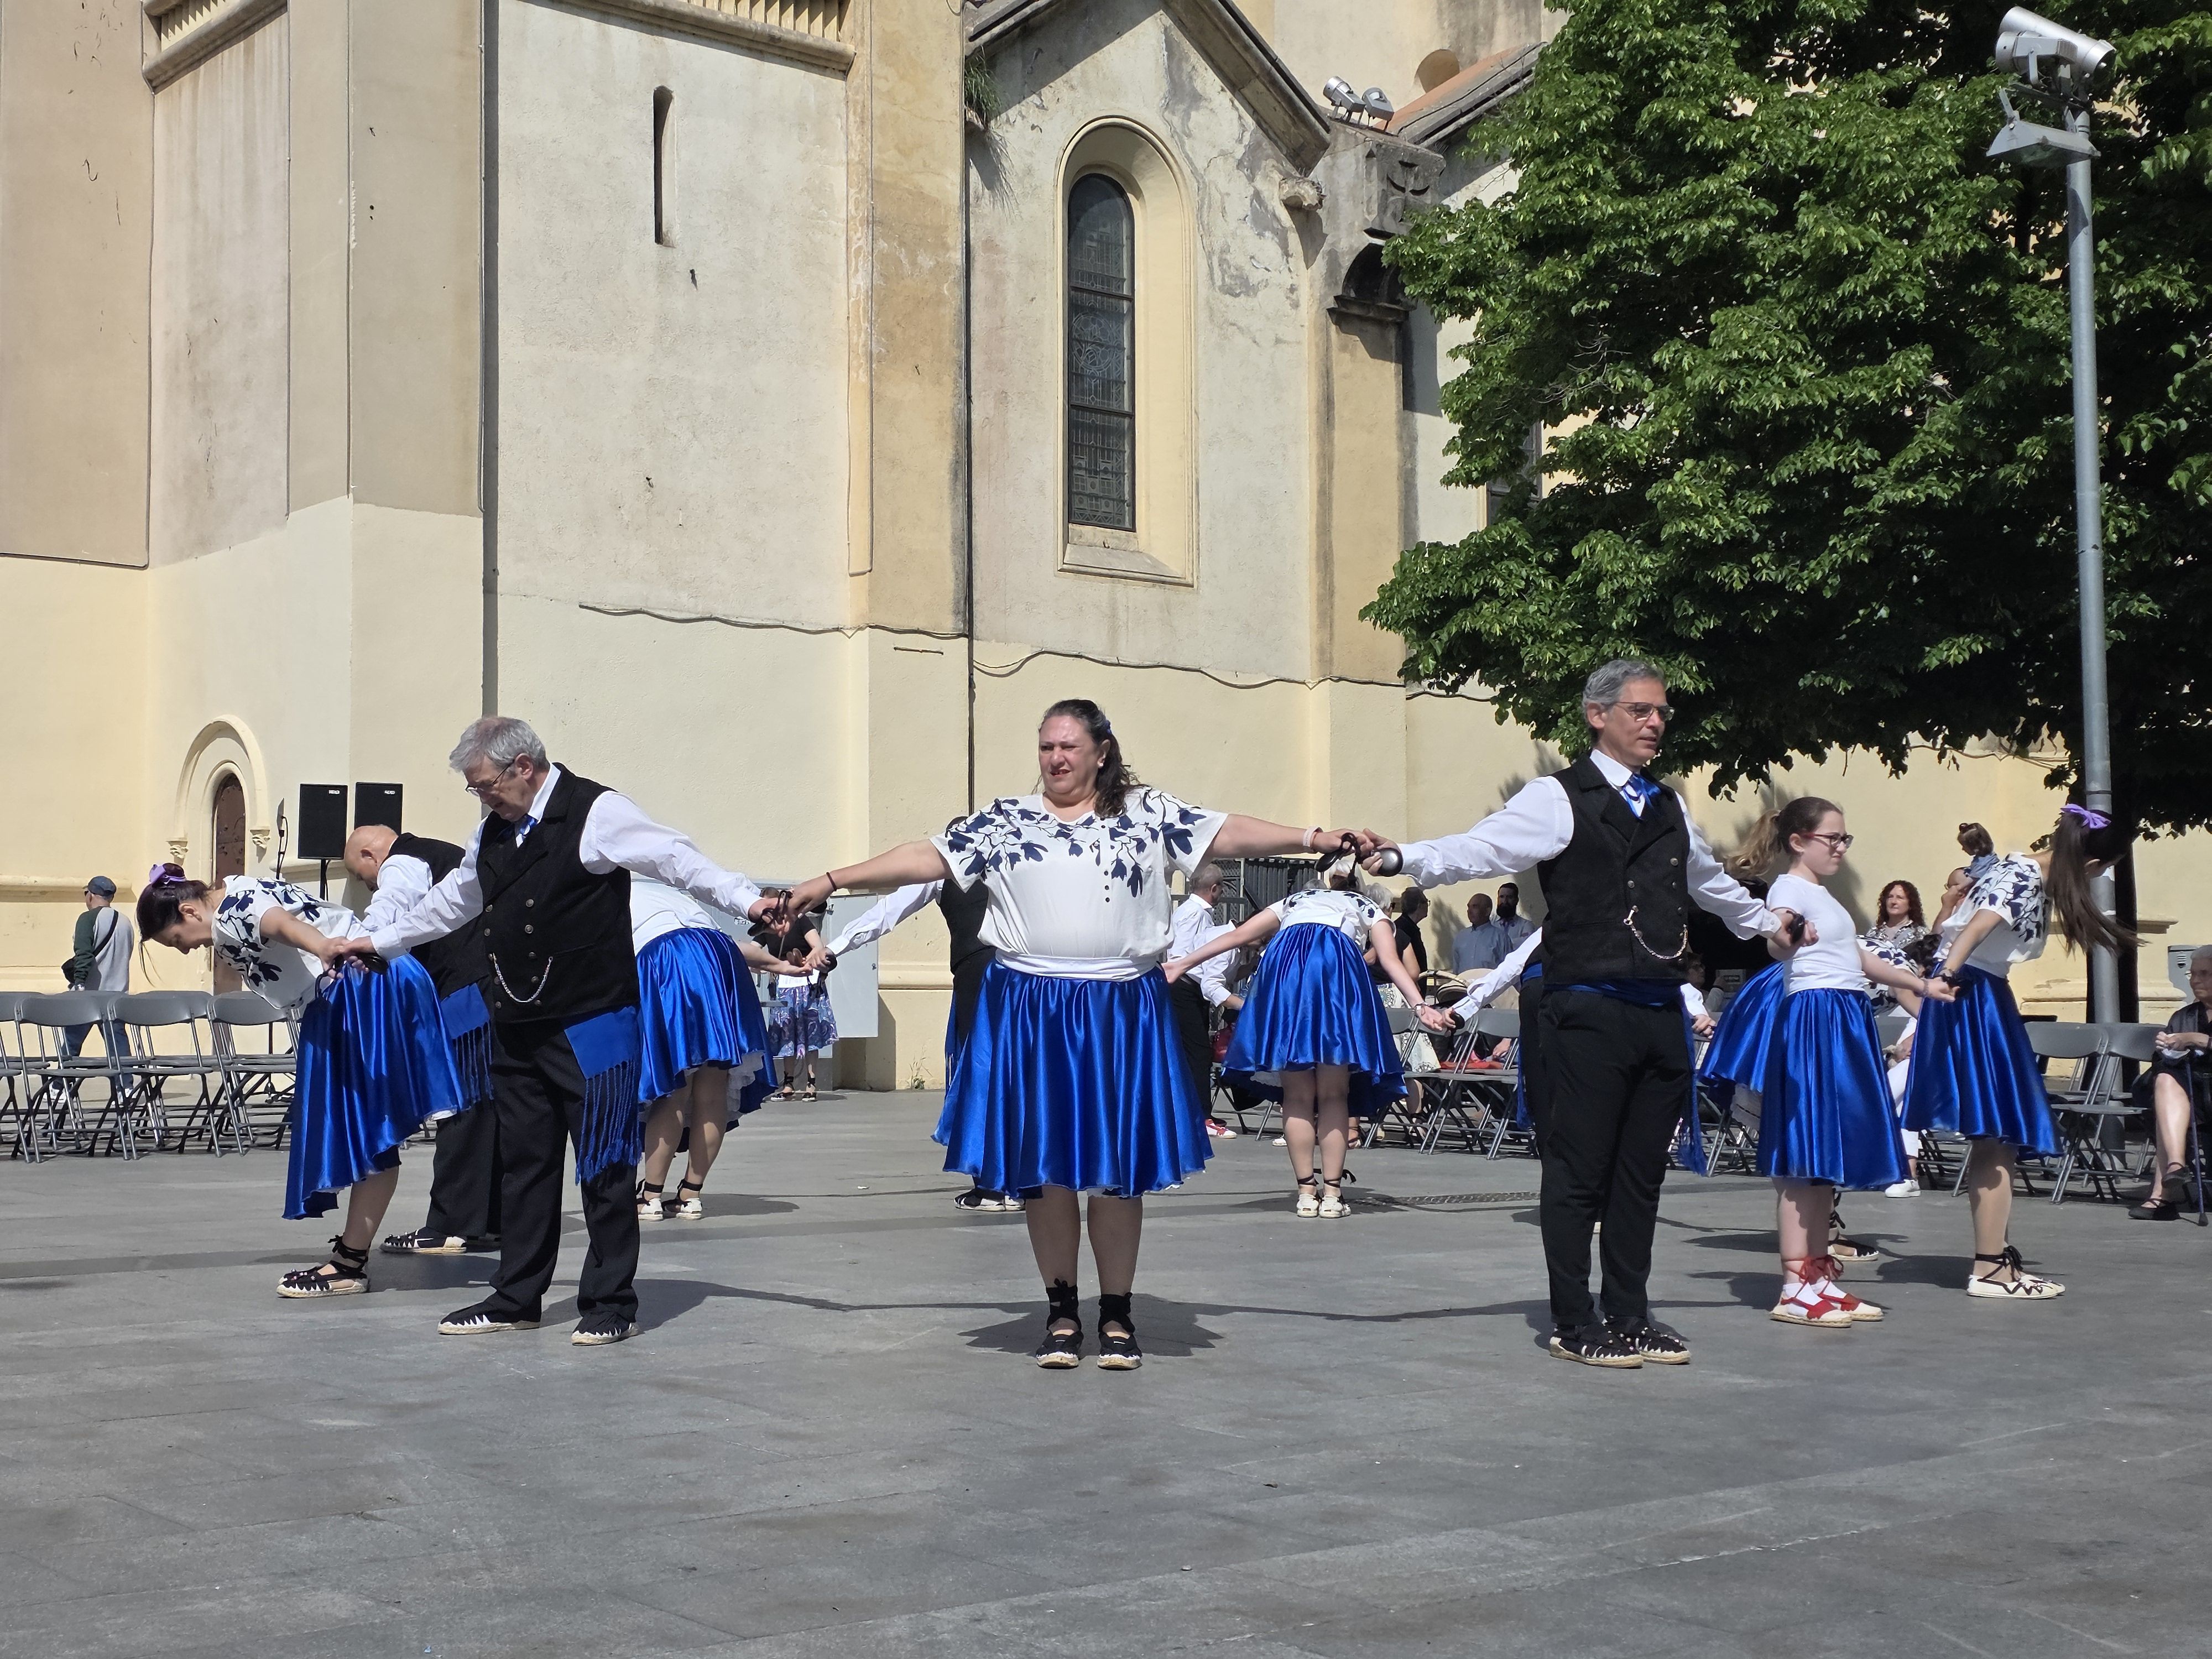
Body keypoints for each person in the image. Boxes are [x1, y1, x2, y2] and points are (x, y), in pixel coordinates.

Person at [776, 697, 1370, 1371]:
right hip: (1030, 1006)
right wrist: (825, 882)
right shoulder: (1005, 820)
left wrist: (1315, 838)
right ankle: (1061, 1311)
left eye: (1067, 747)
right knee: (1044, 1170)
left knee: (1117, 1173)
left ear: (1101, 752)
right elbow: (922, 858)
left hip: (1121, 1007)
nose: (1055, 759)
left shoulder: (1147, 813)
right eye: (1045, 748)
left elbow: (1228, 832)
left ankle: (1116, 1313)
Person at [1363, 659, 1804, 1369]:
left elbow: (1709, 881)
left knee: (1641, 1172)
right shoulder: (1557, 797)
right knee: (1577, 1171)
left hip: (1657, 1006)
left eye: (1662, 712)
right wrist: (1400, 856)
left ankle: (1630, 1313)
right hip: (1584, 1005)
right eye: (1641, 711)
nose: (1656, 723)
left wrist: (1764, 926)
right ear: (1597, 715)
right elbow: (1482, 846)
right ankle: (1574, 1319)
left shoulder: (1668, 805)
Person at [333, 716, 779, 1347]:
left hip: (594, 1021)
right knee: (526, 1164)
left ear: (523, 767)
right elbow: (454, 898)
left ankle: (610, 1300)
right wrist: (376, 941)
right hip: (518, 1021)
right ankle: (518, 1296)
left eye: (484, 784)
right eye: (474, 788)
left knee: (602, 1162)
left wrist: (750, 901)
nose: (480, 796)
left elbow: (676, 858)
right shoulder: (495, 828)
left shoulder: (595, 811)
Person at [138, 863, 465, 1297]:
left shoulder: (230, 915)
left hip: (356, 989)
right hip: (372, 979)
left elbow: (275, 922)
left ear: (189, 912)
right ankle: (351, 1258)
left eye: (177, 940)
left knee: (366, 1132)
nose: (183, 950)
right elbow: (274, 916)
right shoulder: (239, 886)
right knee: (370, 1133)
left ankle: (349, 1265)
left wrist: (322, 945)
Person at [1903, 802, 2136, 1298]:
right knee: (1996, 1134)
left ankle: (1995, 1256)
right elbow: (1979, 925)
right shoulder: (2025, 876)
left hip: (1973, 992)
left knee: (1996, 1135)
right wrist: (1945, 977)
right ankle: (1989, 1268)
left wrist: (1945, 975)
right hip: (1976, 995)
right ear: (2093, 866)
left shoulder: (2014, 863)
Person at [1735, 800, 1952, 1328]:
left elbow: (1858, 958)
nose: (1840, 847)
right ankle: (1794, 1287)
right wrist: (1787, 939)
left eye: (1844, 839)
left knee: (1824, 1158)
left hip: (1842, 1014)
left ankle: (1819, 1279)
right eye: (1831, 838)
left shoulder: (1822, 894)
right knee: (1804, 1157)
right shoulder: (1790, 891)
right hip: (1815, 1018)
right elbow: (1775, 939)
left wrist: (1923, 984)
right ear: (1798, 841)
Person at [1167, 849, 1450, 1218]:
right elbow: (1390, 960)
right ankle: (1332, 1194)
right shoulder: (1368, 907)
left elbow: (1241, 935)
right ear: (1355, 884)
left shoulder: (1295, 900)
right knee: (1335, 1094)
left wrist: (1184, 962)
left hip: (1285, 975)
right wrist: (1420, 1004)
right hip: (1335, 973)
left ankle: (1305, 1192)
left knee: (1297, 1094)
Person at [344, 825, 503, 1256]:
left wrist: (358, 943)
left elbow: (392, 905)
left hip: (465, 993)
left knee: (461, 1106)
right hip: (493, 988)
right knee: (491, 1108)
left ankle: (449, 1226)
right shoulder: (444, 853)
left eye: (361, 875)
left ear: (369, 854)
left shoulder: (404, 861)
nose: (367, 882)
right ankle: (490, 1222)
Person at [824, 863, 1019, 1210]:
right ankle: (1022, 1182)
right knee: (1019, 1076)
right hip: (1024, 980)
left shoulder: (943, 871)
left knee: (982, 1077)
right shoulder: (1014, 864)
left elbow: (888, 911)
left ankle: (994, 1186)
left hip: (980, 979)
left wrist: (835, 947)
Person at [631, 879, 781, 1222]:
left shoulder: (603, 893)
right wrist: (782, 966)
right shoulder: (668, 892)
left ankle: (651, 1194)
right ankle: (690, 1194)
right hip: (719, 954)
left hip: (667, 957)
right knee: (713, 1085)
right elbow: (743, 948)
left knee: (674, 1087)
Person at [2127, 945, 2212, 1220]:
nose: (2196, 980)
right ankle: (2176, 1165)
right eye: (2193, 973)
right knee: (2164, 1078)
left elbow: (2197, 1042)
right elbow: (2164, 1060)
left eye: (2205, 974)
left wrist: (2198, 1040)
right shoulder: (2184, 1016)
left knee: (2169, 1103)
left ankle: (2162, 1197)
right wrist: (2168, 1047)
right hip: (2193, 1096)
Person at [1166, 863, 1237, 1140]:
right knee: (1197, 1054)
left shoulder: (1194, 912)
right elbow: (1182, 954)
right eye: (1220, 890)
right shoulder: (1195, 914)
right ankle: (1201, 1116)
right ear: (1214, 889)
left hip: (1187, 987)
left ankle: (1198, 1111)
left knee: (1196, 1052)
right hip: (1184, 987)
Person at [61, 875, 133, 1062]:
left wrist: (79, 982)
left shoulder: (87, 919)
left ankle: (59, 1087)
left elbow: (83, 954)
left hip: (90, 994)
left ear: (91, 896)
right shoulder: (126, 922)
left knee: (71, 1046)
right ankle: (126, 1087)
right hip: (117, 995)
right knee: (119, 1049)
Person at [766, 943, 838, 1099]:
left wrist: (807, 960)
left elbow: (818, 945)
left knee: (811, 1035)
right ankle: (788, 1085)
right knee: (787, 1036)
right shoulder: (769, 929)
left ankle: (811, 1084)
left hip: (807, 983)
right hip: (784, 984)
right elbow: (756, 947)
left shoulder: (801, 923)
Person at [1450, 892, 1496, 973]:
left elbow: (1507, 969)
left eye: (1475, 907)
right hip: (1464, 985)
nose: (1469, 911)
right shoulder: (1461, 937)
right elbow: (1456, 969)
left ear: (1487, 911)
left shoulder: (1500, 937)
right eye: (1469, 907)